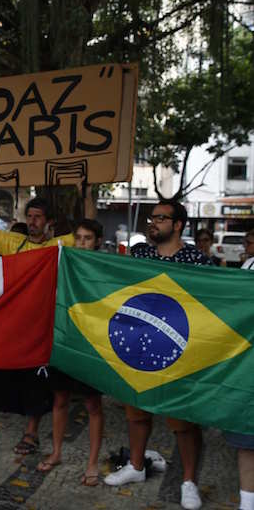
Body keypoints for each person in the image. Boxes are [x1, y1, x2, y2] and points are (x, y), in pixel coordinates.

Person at [0, 180, 95, 455]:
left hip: (42, 326)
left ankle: (31, 433)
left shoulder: (60, 246)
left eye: (38, 217)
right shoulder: (12, 242)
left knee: (37, 380)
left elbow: (88, 227)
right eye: (30, 217)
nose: (33, 221)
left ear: (49, 223)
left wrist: (86, 194)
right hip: (12, 325)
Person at [104, 199, 211, 510]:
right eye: (152, 218)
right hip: (140, 347)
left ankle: (189, 481)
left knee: (183, 420)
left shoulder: (198, 261)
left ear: (178, 225)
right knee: (136, 411)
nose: (153, 223)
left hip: (180, 350)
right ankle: (136, 466)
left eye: (161, 218)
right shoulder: (141, 255)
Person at [37, 219, 105, 485]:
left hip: (91, 345)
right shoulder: (64, 261)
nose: (82, 243)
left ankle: (92, 463)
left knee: (92, 405)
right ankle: (56, 452)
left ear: (98, 241)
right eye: (79, 238)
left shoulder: (104, 267)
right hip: (65, 340)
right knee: (60, 399)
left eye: (88, 238)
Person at [224, 230, 254, 510]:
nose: (246, 246)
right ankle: (248, 501)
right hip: (248, 366)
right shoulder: (248, 267)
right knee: (248, 436)